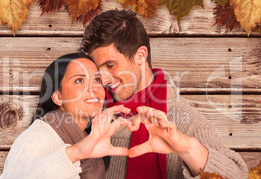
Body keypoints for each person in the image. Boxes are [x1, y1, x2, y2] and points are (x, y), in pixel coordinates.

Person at [79, 10, 248, 178]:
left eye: (110, 66)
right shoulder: (87, 117)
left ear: (140, 56)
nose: (103, 79)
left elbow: (238, 175)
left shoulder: (184, 122)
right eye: (96, 70)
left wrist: (187, 148)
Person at [0, 53, 135, 178]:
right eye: (79, 80)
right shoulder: (39, 137)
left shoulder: (91, 139)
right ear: (58, 97)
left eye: (97, 79)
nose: (93, 88)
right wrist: (75, 153)